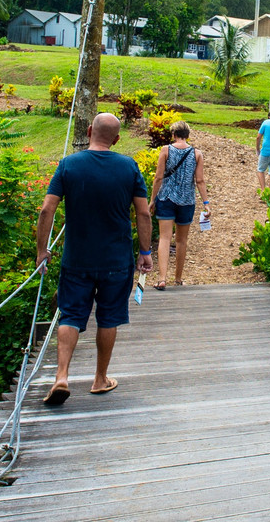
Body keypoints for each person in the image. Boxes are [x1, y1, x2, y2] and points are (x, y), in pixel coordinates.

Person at [36, 112, 153, 407]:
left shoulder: (69, 165)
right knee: (109, 317)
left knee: (71, 315)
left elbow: (46, 210)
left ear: (89, 131)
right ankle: (100, 379)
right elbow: (143, 213)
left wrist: (41, 250)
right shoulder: (129, 167)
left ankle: (61, 377)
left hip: (77, 259)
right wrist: (146, 251)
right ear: (116, 139)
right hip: (116, 260)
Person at [148, 120, 209, 290]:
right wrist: (206, 203)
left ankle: (161, 278)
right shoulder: (197, 154)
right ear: (187, 135)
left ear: (173, 135)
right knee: (182, 240)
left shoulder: (166, 150)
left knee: (165, 238)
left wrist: (152, 199)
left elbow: (158, 177)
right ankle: (178, 278)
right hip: (187, 200)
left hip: (166, 198)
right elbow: (200, 180)